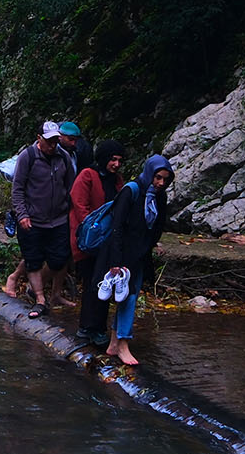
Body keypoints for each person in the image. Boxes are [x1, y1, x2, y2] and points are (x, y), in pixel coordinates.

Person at [95, 153, 173, 365]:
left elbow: (157, 226)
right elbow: (117, 227)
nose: (160, 183)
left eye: (165, 179)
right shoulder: (131, 191)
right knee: (128, 298)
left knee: (126, 297)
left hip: (140, 254)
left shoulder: (159, 195)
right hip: (122, 254)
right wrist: (116, 262)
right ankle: (123, 344)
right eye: (157, 177)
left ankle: (113, 342)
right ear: (149, 173)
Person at [11, 121, 75, 310]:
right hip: (33, 218)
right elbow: (18, 188)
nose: (53, 145)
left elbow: (71, 186)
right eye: (49, 141)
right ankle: (39, 297)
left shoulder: (63, 158)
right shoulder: (27, 157)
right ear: (39, 139)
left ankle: (51, 295)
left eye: (55, 141)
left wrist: (71, 212)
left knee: (59, 258)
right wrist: (21, 214)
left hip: (59, 219)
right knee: (33, 259)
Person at [71, 140, 125, 344]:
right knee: (91, 283)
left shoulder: (117, 180)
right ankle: (87, 327)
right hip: (88, 240)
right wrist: (94, 228)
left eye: (119, 160)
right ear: (104, 159)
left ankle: (98, 328)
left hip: (108, 242)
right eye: (113, 159)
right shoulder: (87, 175)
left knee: (105, 284)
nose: (116, 164)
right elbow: (79, 204)